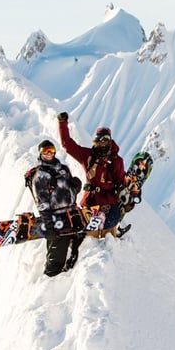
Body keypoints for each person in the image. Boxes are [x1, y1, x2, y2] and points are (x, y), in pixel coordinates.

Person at [57, 112, 126, 261]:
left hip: (108, 201)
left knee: (112, 218)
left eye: (105, 139)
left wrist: (124, 197)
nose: (102, 142)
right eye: (99, 139)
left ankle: (95, 228)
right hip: (90, 201)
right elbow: (67, 145)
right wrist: (63, 123)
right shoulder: (88, 156)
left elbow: (121, 183)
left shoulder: (116, 161)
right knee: (81, 220)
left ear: (110, 140)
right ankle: (75, 230)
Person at [26, 139, 83, 277]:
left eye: (51, 150)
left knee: (78, 245)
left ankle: (68, 274)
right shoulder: (40, 175)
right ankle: (51, 280)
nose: (49, 153)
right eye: (45, 151)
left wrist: (76, 187)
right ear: (40, 154)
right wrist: (49, 225)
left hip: (72, 213)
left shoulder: (63, 169)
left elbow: (68, 189)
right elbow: (42, 203)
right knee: (57, 252)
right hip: (56, 218)